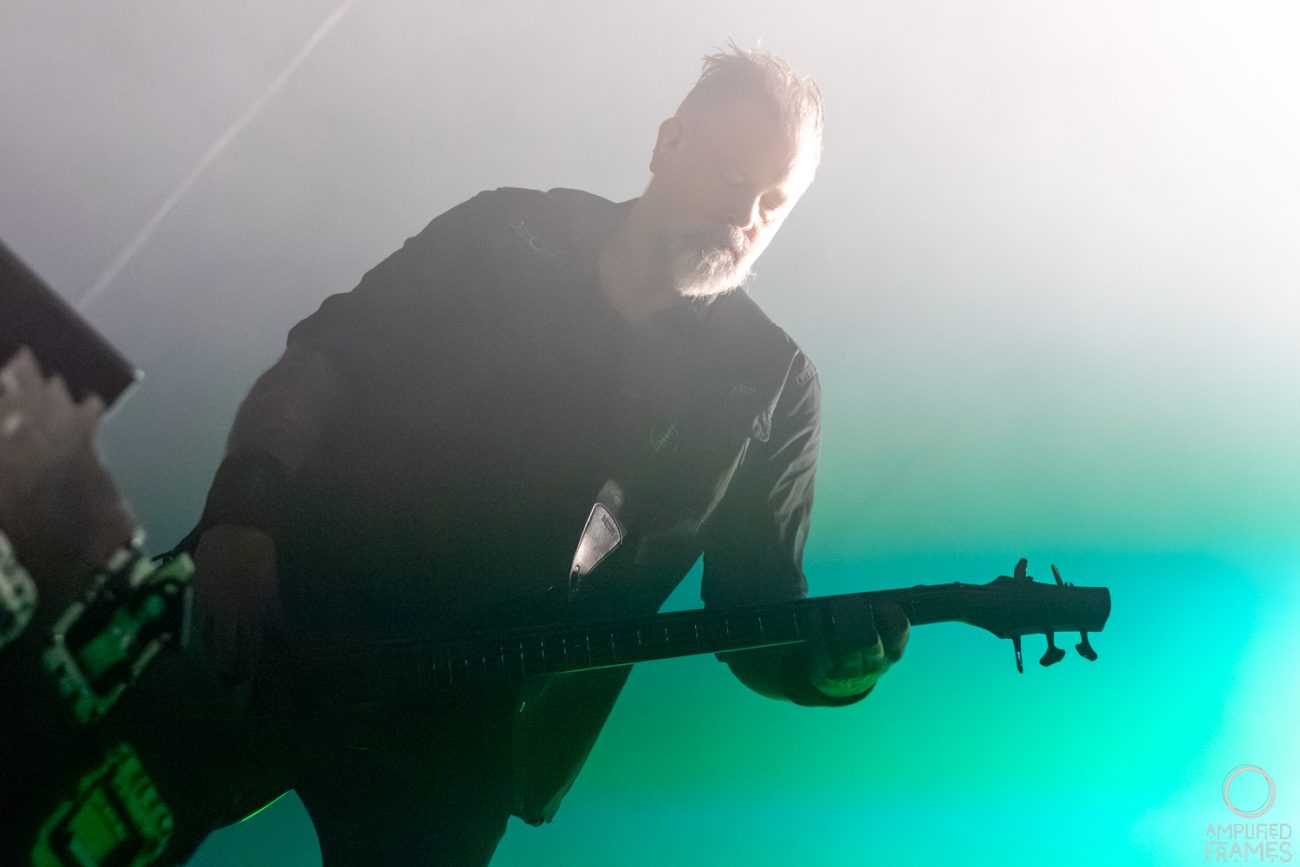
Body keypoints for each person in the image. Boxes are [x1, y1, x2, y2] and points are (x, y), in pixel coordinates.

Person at [184, 44, 910, 866]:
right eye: (732, 177)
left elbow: (757, 602)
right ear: (667, 143)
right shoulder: (505, 230)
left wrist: (831, 672)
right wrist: (239, 518)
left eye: (774, 204)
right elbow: (324, 359)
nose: (747, 218)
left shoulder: (773, 382)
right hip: (277, 607)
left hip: (462, 728)